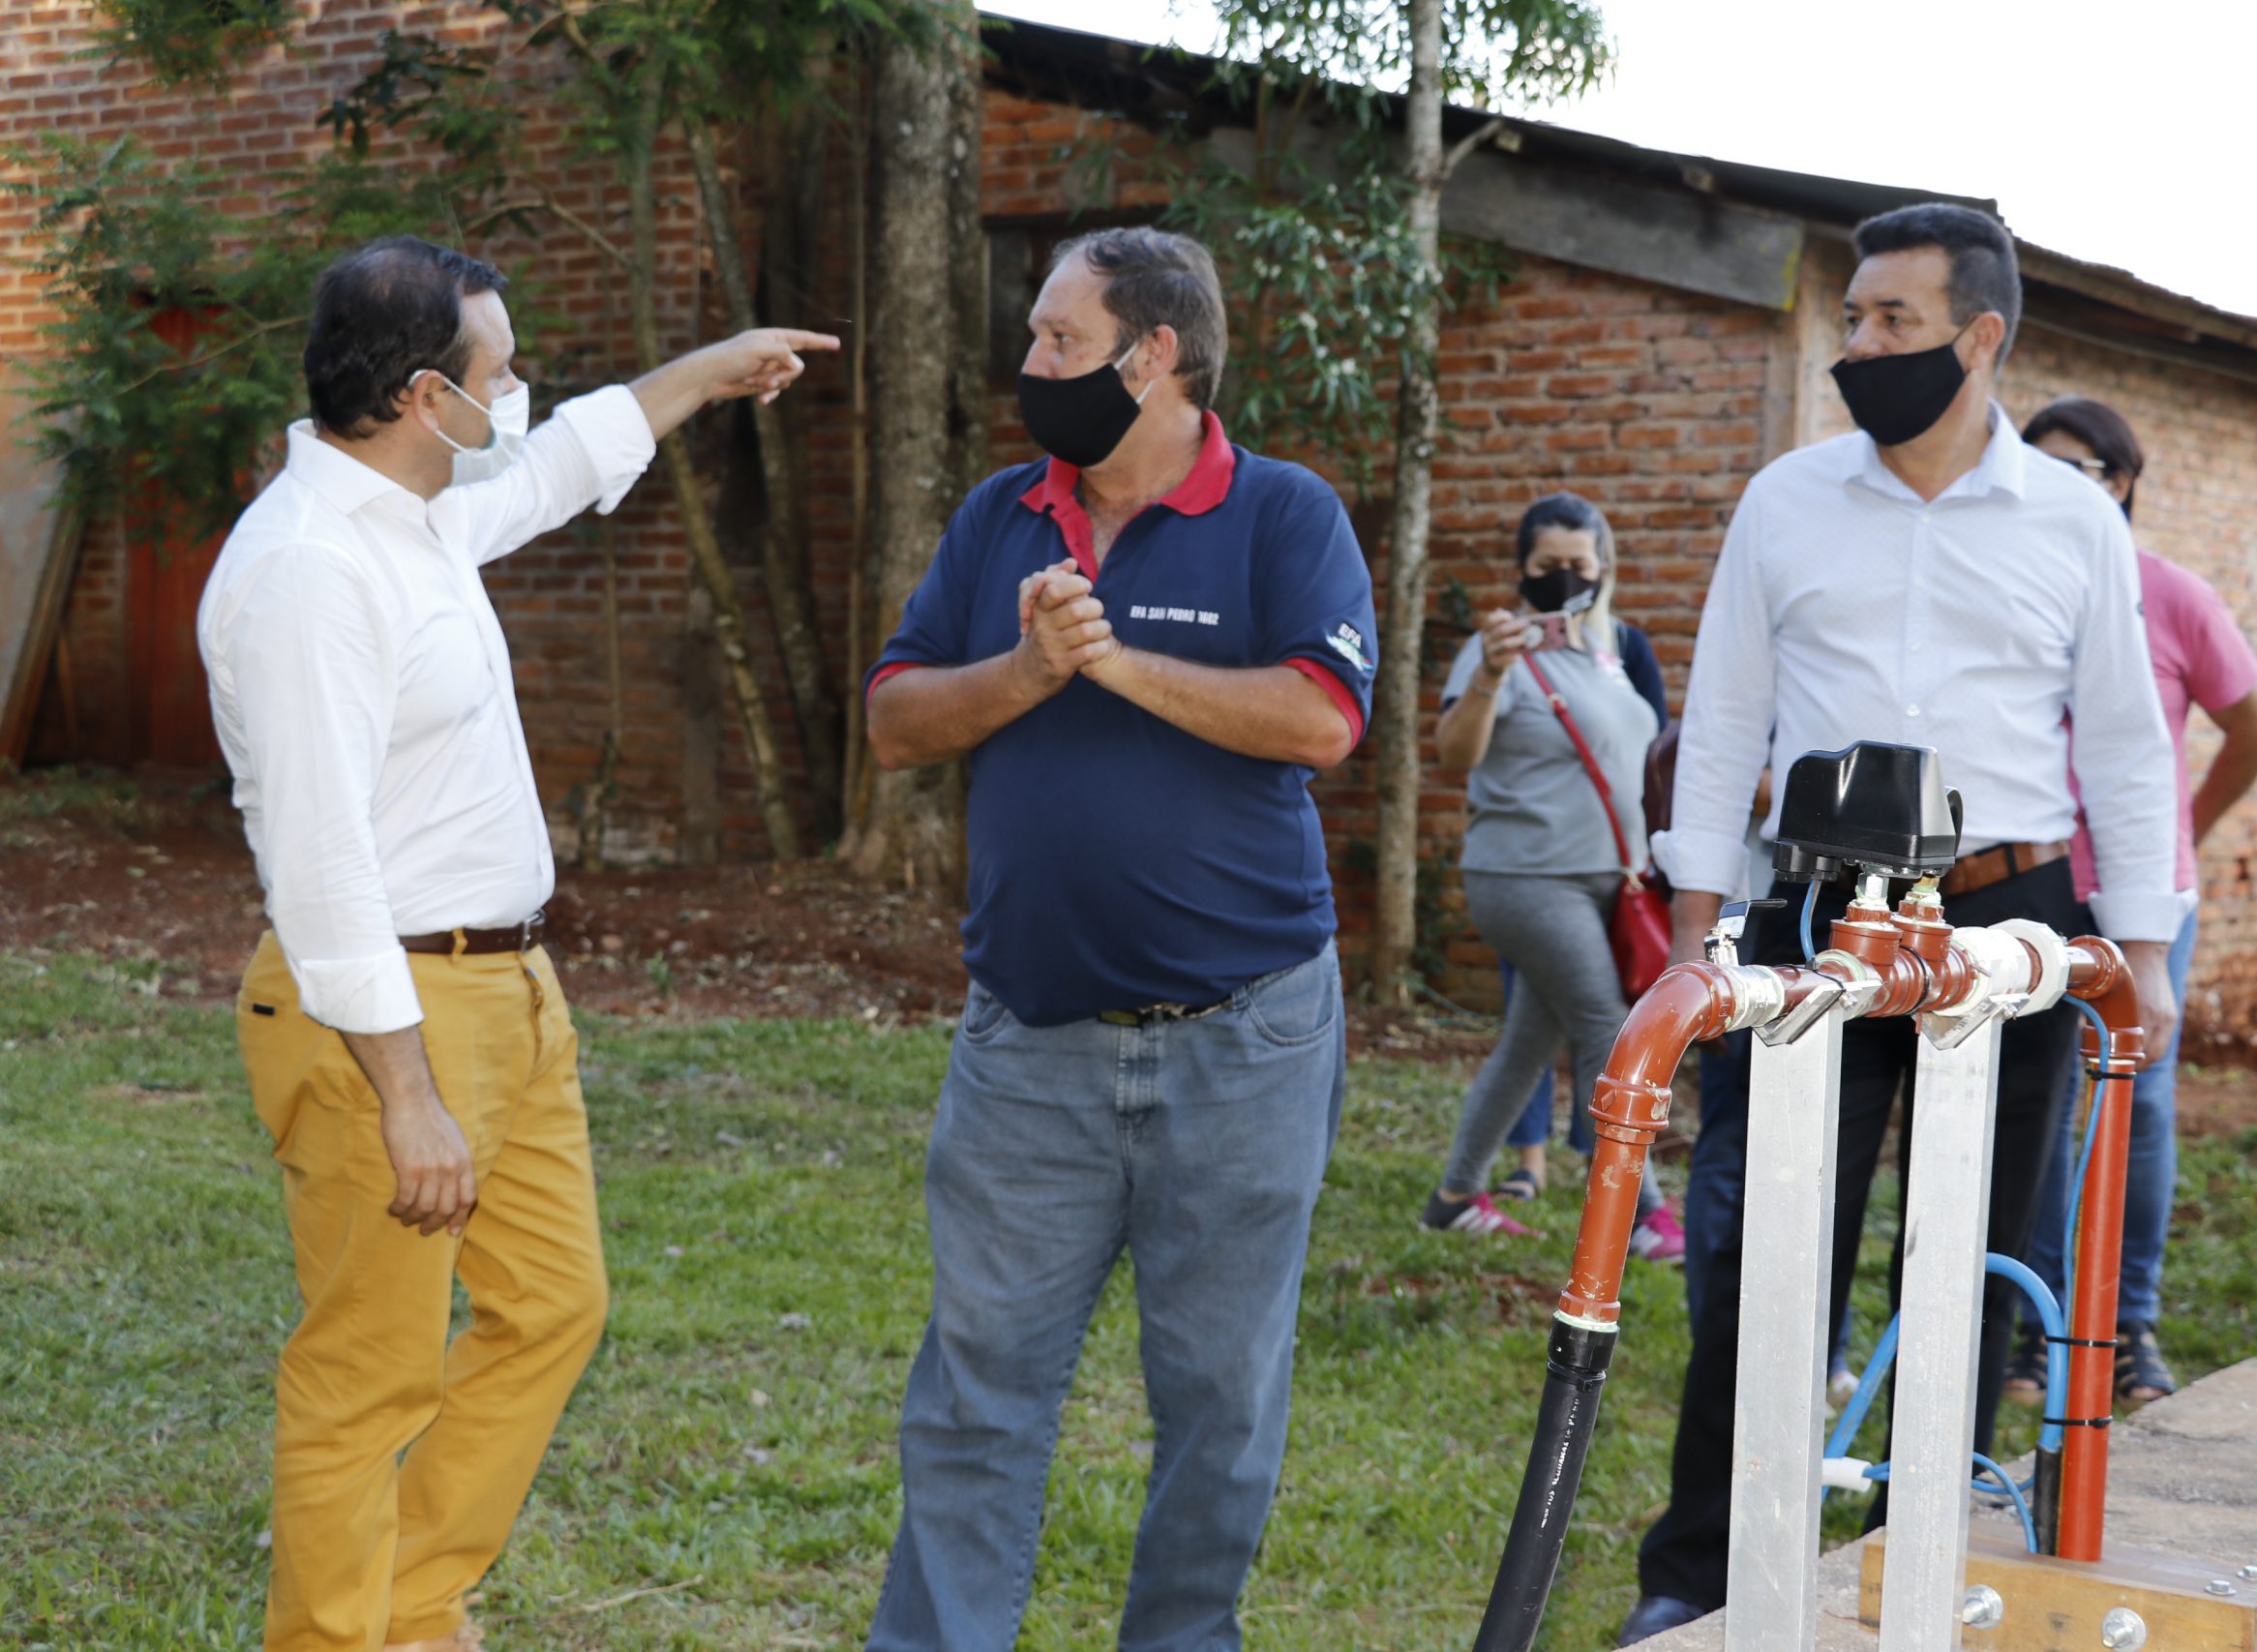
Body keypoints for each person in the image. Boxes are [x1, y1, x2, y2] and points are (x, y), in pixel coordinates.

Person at [197, 235, 833, 1652]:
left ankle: (411, 1599)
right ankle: (337, 1635)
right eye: (502, 370)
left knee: (551, 1303)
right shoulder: (309, 568)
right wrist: (405, 1089)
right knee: (371, 1366)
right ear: (430, 394)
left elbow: (552, 467)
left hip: (508, 987)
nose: (520, 389)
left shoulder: (417, 509)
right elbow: (319, 862)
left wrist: (707, 376)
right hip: (387, 1011)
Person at [1621, 203, 2182, 1641]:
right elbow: (1725, 709)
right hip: (1815, 912)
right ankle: (1701, 1572)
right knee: (1763, 1255)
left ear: (1979, 337)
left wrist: (2146, 950)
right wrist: (1695, 927)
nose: (1855, 347)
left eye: (1889, 322)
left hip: (2010, 921)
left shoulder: (2070, 522)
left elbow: (2124, 740)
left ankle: (1904, 1560)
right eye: (1852, 319)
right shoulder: (1787, 501)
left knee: (1973, 1246)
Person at [860, 226, 1372, 1652]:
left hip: (1248, 1037)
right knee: (976, 1385)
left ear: (1156, 355)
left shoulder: (1283, 515)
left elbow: (1323, 719)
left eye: (1059, 341)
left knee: (1221, 1395)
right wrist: (1025, 669)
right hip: (1028, 1038)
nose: (1031, 366)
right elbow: (897, 721)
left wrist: (1114, 663)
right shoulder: (999, 517)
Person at [2000, 395, 2257, 1409]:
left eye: (2077, 468)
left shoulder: (2169, 596)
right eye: (2033, 464)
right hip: (2025, 886)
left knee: (2138, 1102)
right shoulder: (2006, 586)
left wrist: (2183, 832)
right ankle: (2034, 1329)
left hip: (2137, 899)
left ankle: (2125, 1325)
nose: (2050, 485)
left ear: (2120, 483)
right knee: (2033, 1103)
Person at [1421, 491, 1681, 1258]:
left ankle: (1455, 1195)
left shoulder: (1607, 652)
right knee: (1608, 1026)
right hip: (1527, 877)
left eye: (1579, 564)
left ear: (1602, 569)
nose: (1564, 577)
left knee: (1529, 1043)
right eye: (1548, 565)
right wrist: (1490, 675)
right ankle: (1643, 1212)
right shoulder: (1497, 653)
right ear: (1522, 570)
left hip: (1607, 880)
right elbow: (1455, 754)